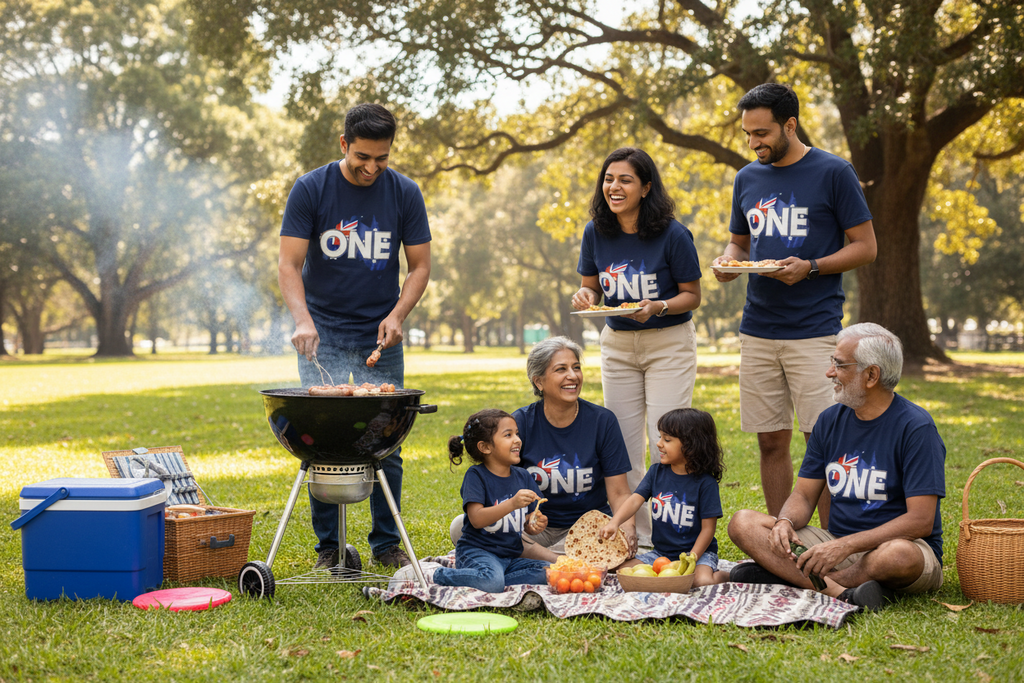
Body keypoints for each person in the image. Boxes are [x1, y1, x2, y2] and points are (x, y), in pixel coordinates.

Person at [711, 83, 877, 527]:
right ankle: (780, 543)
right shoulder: (747, 178)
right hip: (759, 328)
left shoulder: (834, 172)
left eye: (762, 133)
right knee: (770, 442)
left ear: (790, 124)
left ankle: (829, 544)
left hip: (815, 329)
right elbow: (739, 242)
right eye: (747, 134)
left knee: (820, 439)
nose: (753, 143)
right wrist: (729, 262)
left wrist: (813, 266)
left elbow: (865, 247)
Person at [278, 103, 431, 569]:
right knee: (318, 439)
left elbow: (420, 266)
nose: (371, 168)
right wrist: (303, 320)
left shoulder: (404, 192)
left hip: (379, 337)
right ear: (344, 144)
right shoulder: (311, 188)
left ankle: (386, 544)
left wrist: (399, 314)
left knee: (387, 441)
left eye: (381, 159)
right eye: (362, 157)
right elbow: (289, 264)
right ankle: (330, 549)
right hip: (321, 334)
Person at [727, 323, 946, 611]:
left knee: (896, 556)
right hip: (834, 543)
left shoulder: (916, 427)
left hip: (901, 545)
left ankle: (809, 582)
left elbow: (920, 521)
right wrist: (785, 522)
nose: (830, 373)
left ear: (871, 375)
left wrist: (845, 546)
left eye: (840, 365)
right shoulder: (829, 421)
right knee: (743, 523)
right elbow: (804, 495)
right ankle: (844, 592)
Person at [571, 147, 703, 548]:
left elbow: (692, 295)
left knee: (667, 440)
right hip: (617, 345)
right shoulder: (596, 231)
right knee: (624, 445)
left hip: (668, 343)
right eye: (609, 179)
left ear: (646, 187)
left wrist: (658, 306)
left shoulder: (674, 234)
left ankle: (673, 534)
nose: (614, 187)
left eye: (625, 180)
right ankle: (636, 536)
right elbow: (591, 285)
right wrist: (584, 295)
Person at [449, 336, 636, 561]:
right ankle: (556, 559)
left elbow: (618, 492)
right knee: (461, 527)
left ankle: (547, 559)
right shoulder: (521, 423)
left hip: (591, 528)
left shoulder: (602, 421)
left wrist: (627, 529)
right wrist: (525, 520)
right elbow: (498, 480)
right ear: (539, 382)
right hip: (535, 529)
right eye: (561, 369)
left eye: (576, 367)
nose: (573, 376)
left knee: (619, 547)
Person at [394, 410, 551, 592]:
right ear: (485, 447)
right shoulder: (476, 476)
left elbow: (528, 522)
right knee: (491, 581)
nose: (517, 439)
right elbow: (476, 519)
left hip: (509, 555)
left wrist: (534, 524)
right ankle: (433, 574)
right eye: (508, 435)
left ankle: (493, 579)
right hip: (477, 552)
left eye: (517, 433)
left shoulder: (523, 476)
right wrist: (512, 504)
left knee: (548, 571)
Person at [599, 408, 730, 587]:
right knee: (621, 569)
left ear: (691, 445)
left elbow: (708, 529)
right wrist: (615, 523)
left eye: (667, 439)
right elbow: (635, 500)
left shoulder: (705, 483)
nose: (659, 443)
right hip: (662, 554)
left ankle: (724, 576)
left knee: (701, 581)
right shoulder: (656, 473)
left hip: (698, 554)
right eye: (660, 437)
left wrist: (692, 559)